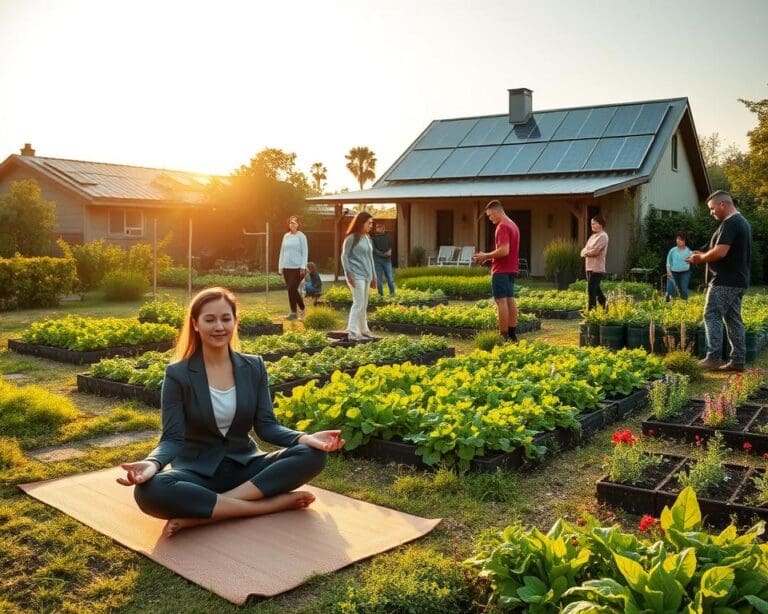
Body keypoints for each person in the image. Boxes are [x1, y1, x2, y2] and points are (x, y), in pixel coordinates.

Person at [117, 287, 345, 538]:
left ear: (235, 321)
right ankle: (266, 507)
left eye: (226, 318)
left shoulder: (253, 366)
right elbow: (172, 438)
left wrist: (305, 438)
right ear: (195, 324)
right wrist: (152, 463)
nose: (219, 327)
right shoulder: (178, 374)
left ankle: (207, 514)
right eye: (210, 319)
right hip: (198, 472)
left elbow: (267, 426)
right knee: (150, 491)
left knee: (312, 455)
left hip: (246, 468)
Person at [687, 190, 752, 372]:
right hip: (737, 280)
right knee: (733, 320)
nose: (711, 212)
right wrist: (705, 255)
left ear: (723, 204)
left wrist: (700, 259)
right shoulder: (742, 222)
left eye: (712, 208)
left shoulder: (731, 223)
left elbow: (721, 251)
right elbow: (724, 252)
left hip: (725, 280)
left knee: (712, 315)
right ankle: (738, 361)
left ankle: (713, 358)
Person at [472, 200, 520, 341]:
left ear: (497, 211)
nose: (490, 218)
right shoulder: (513, 225)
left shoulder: (502, 227)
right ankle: (512, 335)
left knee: (501, 302)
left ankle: (503, 336)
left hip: (501, 271)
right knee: (510, 300)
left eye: (490, 215)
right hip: (511, 269)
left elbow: (504, 250)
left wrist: (486, 255)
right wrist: (487, 258)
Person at [341, 211, 377, 341]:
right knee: (358, 303)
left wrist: (374, 276)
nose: (371, 225)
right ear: (361, 223)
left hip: (367, 275)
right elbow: (344, 256)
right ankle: (352, 332)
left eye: (371, 223)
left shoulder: (367, 238)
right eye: (369, 223)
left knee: (364, 304)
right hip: (355, 275)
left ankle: (364, 330)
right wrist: (348, 273)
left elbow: (370, 258)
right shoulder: (351, 238)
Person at [278, 215, 308, 320]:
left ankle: (302, 308)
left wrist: (303, 266)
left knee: (292, 288)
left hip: (298, 268)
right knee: (291, 290)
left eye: (294, 222)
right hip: (286, 267)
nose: (292, 224)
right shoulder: (286, 236)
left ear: (298, 224)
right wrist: (280, 266)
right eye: (291, 222)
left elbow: (305, 252)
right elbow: (282, 251)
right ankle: (293, 313)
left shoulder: (301, 236)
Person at [580, 215, 609, 310]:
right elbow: (586, 247)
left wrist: (585, 253)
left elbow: (595, 251)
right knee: (596, 289)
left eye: (594, 223)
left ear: (600, 224)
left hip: (597, 267)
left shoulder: (603, 236)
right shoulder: (593, 236)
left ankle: (592, 312)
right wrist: (586, 251)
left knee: (592, 290)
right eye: (591, 223)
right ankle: (605, 306)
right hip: (589, 266)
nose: (592, 225)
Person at [665, 231, 692, 300]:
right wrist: (668, 272)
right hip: (673, 273)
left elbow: (692, 260)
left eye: (681, 239)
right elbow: (668, 262)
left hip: (685, 273)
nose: (678, 241)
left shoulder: (689, 251)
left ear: (685, 241)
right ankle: (667, 305)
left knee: (684, 289)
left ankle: (684, 305)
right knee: (670, 290)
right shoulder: (672, 250)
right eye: (677, 239)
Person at [372, 221, 395, 296]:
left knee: (390, 279)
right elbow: (374, 249)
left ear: (383, 228)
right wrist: (382, 254)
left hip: (387, 260)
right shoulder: (373, 238)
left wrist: (389, 251)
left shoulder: (388, 237)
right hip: (377, 261)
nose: (378, 228)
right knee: (379, 279)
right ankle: (380, 295)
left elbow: (391, 246)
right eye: (377, 227)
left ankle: (392, 294)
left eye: (380, 227)